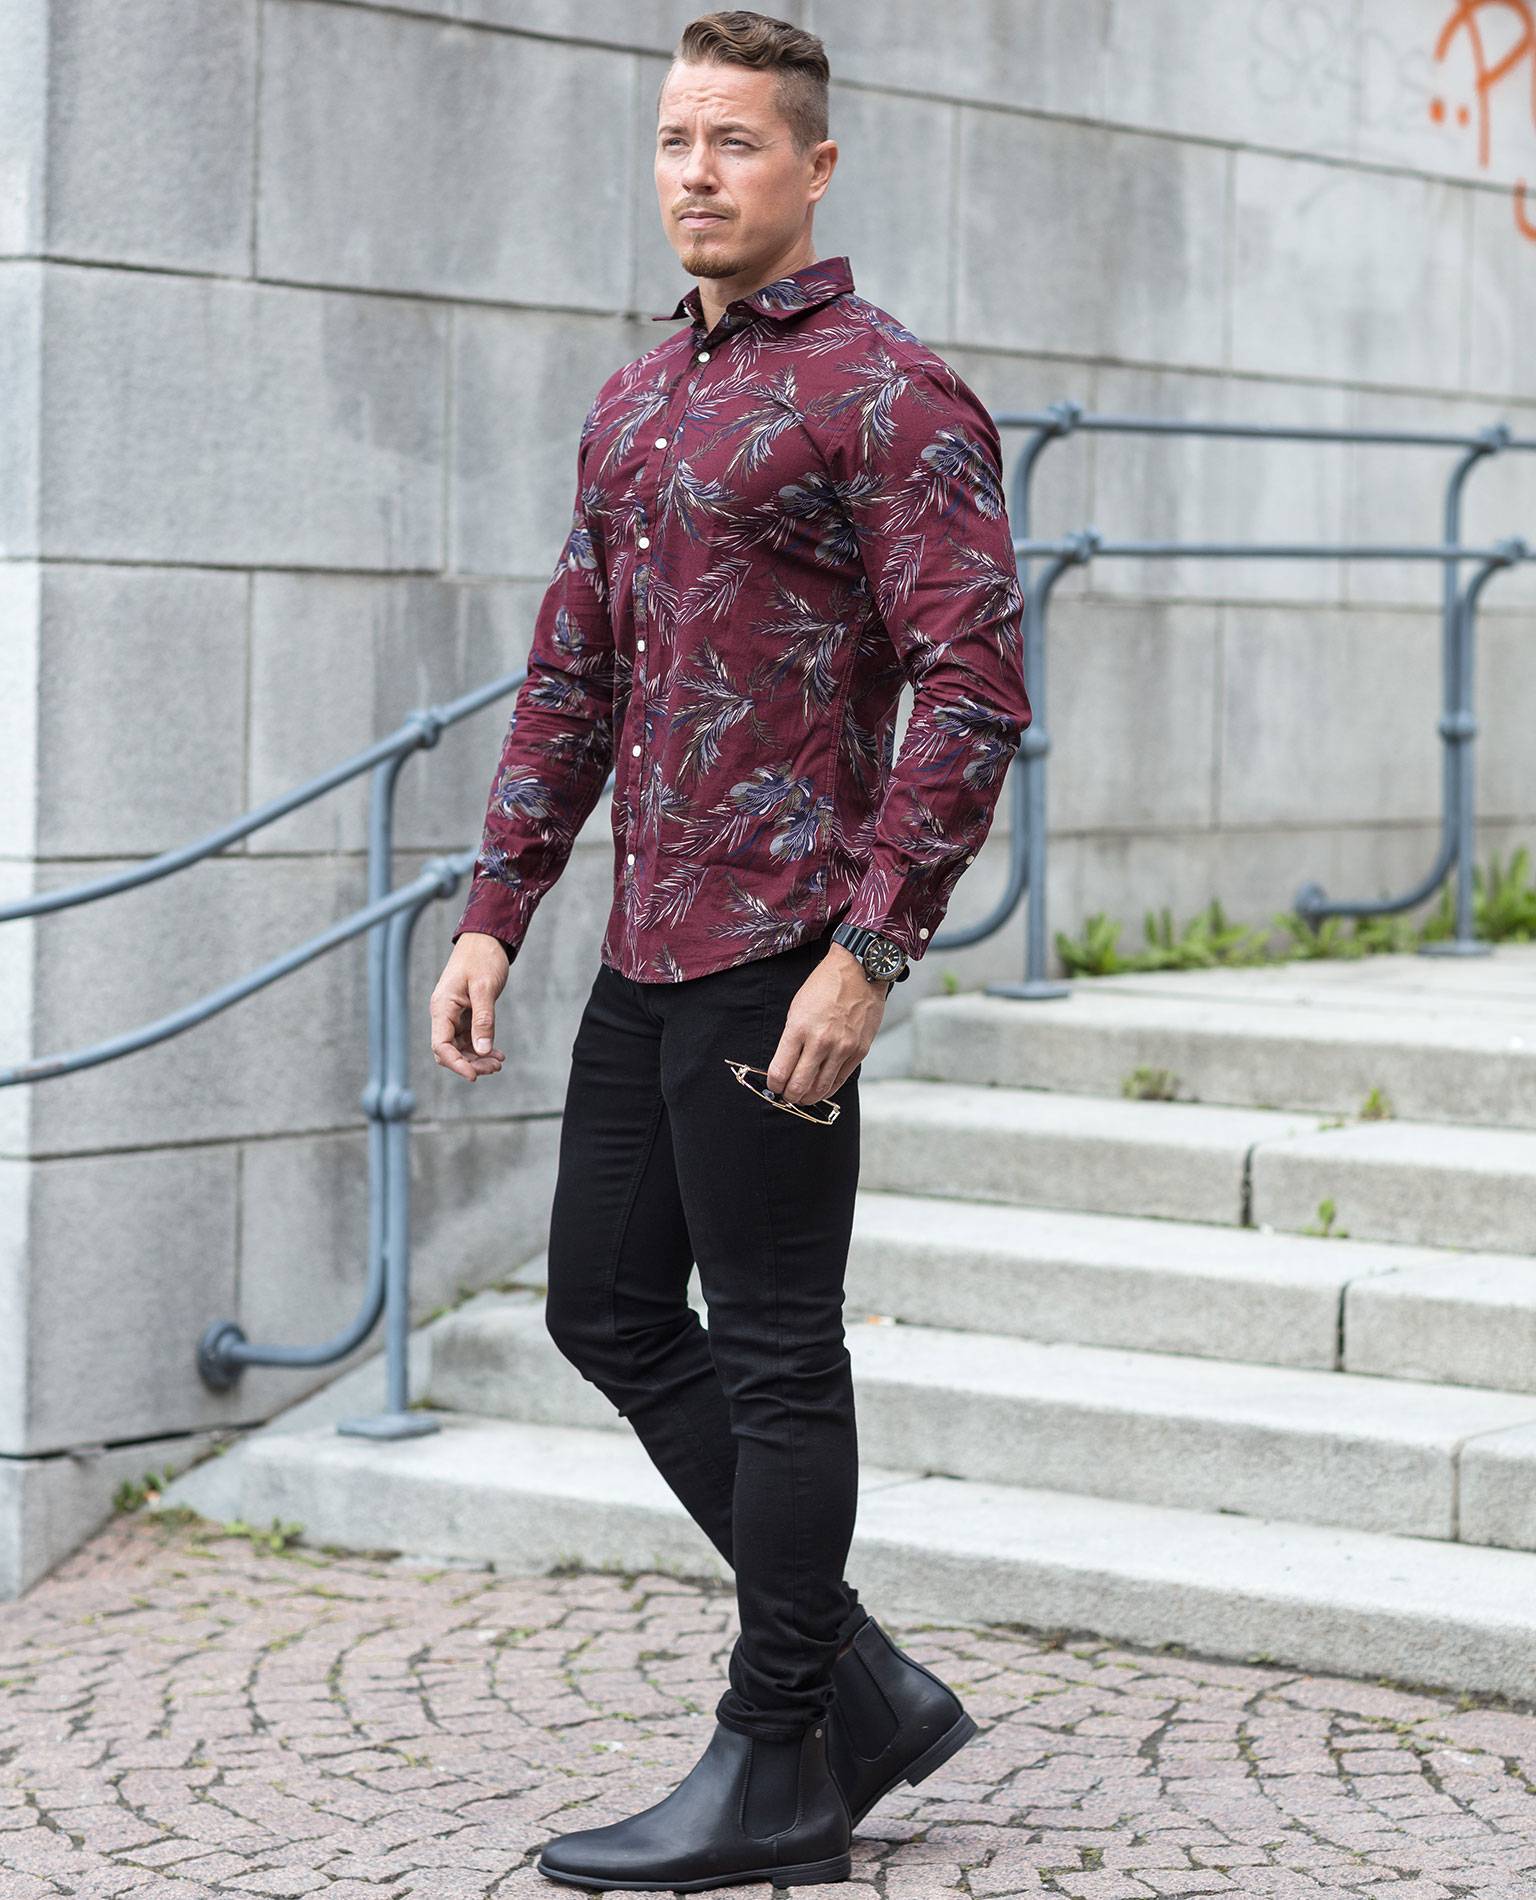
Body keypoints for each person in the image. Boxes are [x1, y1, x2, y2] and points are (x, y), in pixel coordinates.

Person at [429, 9, 1032, 1888]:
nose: (697, 173)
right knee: (603, 1307)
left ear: (814, 166)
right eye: (676, 140)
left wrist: (875, 948)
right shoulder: (634, 402)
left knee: (775, 1350)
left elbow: (973, 691)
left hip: (786, 943)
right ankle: (858, 1683)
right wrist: (498, 907)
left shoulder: (888, 393)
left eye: (737, 142)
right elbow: (574, 674)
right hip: (649, 940)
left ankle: (780, 1760)